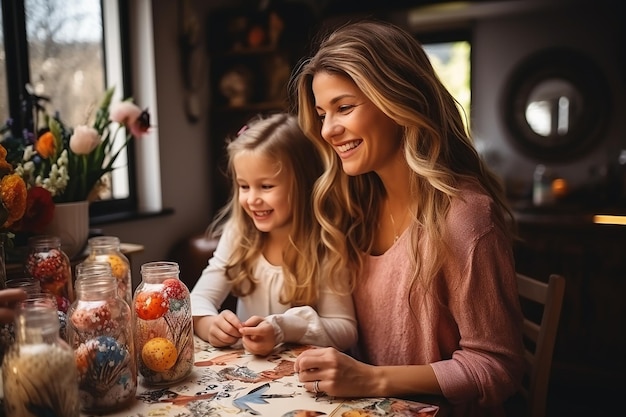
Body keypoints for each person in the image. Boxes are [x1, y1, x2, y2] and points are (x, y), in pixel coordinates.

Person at [290, 20, 525, 416]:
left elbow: (497, 368)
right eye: (321, 113)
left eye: (344, 107)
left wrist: (372, 379)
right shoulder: (357, 206)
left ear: (398, 101)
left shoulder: (464, 215)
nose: (328, 130)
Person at [190, 112, 357, 357]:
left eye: (266, 186)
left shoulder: (326, 243)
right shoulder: (239, 234)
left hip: (302, 378)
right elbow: (197, 299)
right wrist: (208, 325)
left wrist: (285, 327)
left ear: (303, 185)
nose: (252, 199)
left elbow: (345, 331)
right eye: (244, 186)